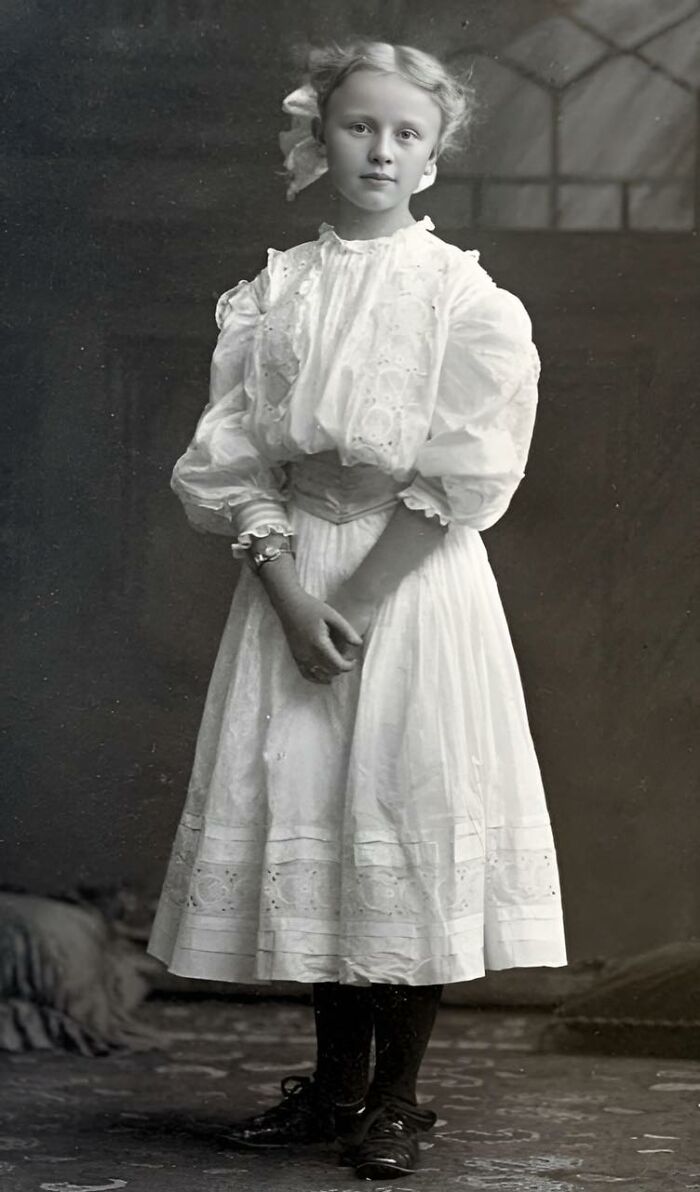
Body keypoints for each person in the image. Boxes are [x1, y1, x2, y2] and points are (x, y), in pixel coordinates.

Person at [146, 37, 568, 1182]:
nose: (380, 149)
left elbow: (470, 470)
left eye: (405, 133)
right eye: (358, 126)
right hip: (289, 572)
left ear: (433, 158)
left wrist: (361, 600)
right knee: (319, 815)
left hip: (413, 578)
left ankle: (397, 1096)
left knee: (399, 808)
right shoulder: (274, 290)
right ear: (317, 136)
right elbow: (229, 463)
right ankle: (331, 1088)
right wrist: (289, 595)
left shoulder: (463, 298)